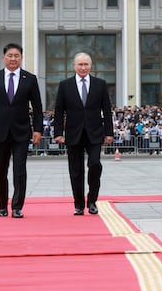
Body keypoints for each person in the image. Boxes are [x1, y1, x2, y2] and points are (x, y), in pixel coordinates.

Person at [0, 43, 44, 218]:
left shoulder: (30, 79)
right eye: (10, 55)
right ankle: (1, 204)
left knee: (19, 170)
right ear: (3, 57)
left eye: (16, 56)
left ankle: (17, 206)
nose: (13, 58)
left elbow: (37, 107)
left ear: (21, 58)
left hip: (21, 132)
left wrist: (38, 129)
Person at [53, 52, 114, 216]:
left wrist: (109, 132)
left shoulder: (100, 84)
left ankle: (92, 200)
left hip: (95, 133)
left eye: (86, 64)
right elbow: (59, 110)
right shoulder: (65, 85)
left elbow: (107, 110)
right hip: (73, 133)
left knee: (95, 165)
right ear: (74, 65)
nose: (83, 67)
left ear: (91, 65)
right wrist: (58, 132)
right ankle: (78, 204)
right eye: (80, 64)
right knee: (75, 171)